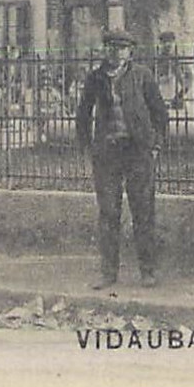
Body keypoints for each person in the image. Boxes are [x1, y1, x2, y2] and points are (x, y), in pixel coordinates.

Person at [74, 28, 168, 291]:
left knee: (143, 211)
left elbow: (160, 112)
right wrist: (86, 148)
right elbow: (83, 116)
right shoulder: (95, 78)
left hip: (138, 151)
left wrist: (156, 144)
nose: (116, 52)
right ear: (106, 50)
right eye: (112, 47)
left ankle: (148, 271)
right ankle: (108, 273)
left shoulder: (142, 76)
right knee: (108, 213)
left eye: (122, 47)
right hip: (108, 153)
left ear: (130, 51)